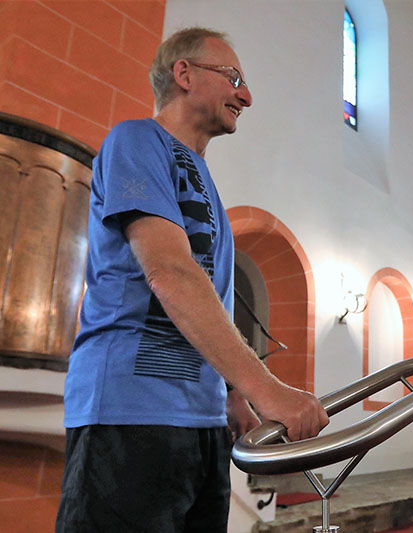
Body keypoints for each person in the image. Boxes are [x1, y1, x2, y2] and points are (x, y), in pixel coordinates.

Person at [56, 27, 329, 532]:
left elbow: (211, 296)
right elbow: (170, 271)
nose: (245, 95)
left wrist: (231, 393)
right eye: (234, 78)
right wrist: (266, 387)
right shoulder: (136, 140)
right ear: (184, 73)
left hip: (201, 424)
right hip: (131, 413)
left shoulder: (204, 180)